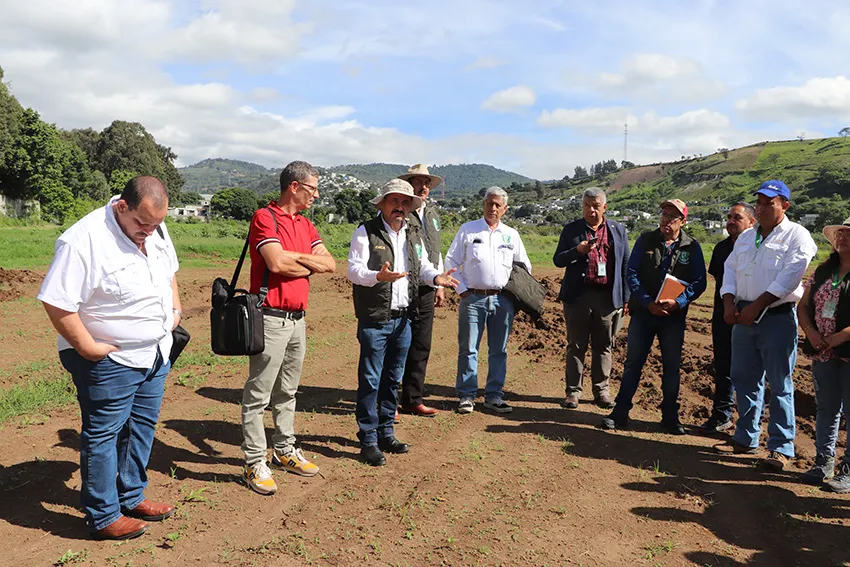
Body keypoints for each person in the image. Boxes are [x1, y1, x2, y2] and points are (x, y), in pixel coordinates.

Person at [38, 177, 180, 540]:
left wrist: (175, 309)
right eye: (142, 224)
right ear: (121, 207)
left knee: (141, 428)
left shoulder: (154, 228)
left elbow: (169, 272)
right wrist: (88, 348)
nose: (149, 232)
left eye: (156, 225)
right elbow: (57, 301)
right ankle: (103, 516)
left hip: (154, 353)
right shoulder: (83, 240)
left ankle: (131, 496)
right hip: (109, 360)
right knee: (103, 434)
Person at [240, 161, 336, 496]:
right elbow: (276, 262)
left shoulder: (306, 225)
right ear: (294, 186)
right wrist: (307, 262)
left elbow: (330, 263)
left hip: (297, 320)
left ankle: (284, 449)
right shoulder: (265, 217)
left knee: (288, 391)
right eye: (312, 189)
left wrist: (295, 260)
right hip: (270, 317)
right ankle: (254, 461)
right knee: (258, 394)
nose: (316, 195)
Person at [347, 179, 459, 466]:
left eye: (405, 202)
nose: (400, 207)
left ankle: (386, 432)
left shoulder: (413, 235)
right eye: (394, 201)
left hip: (403, 319)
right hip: (375, 319)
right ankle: (368, 439)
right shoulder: (366, 232)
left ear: (410, 207)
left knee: (392, 379)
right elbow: (354, 271)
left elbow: (423, 267)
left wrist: (436, 278)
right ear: (383, 203)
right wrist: (377, 276)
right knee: (371, 380)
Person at [715, 180, 817, 471]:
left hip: (776, 317)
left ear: (784, 205)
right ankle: (745, 437)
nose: (760, 208)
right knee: (744, 380)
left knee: (780, 383)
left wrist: (758, 305)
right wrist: (728, 301)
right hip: (742, 316)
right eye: (758, 203)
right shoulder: (747, 237)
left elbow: (791, 275)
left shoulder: (797, 235)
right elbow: (730, 269)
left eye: (768, 203)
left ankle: (781, 447)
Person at [600, 199, 706, 434]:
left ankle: (670, 417)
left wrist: (678, 302)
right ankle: (620, 413)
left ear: (683, 221)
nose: (666, 220)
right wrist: (647, 302)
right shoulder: (646, 240)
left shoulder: (691, 246)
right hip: (644, 314)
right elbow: (632, 273)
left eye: (672, 216)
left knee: (672, 367)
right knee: (633, 364)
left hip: (673, 317)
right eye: (664, 214)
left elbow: (700, 282)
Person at [444, 186, 532, 415]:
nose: (492, 208)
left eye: (497, 205)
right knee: (468, 348)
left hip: (503, 301)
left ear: (505, 209)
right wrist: (462, 290)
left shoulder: (511, 235)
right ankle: (466, 395)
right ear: (483, 204)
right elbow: (451, 261)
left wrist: (515, 295)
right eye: (489, 203)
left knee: (499, 350)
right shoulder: (468, 230)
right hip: (472, 298)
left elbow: (524, 266)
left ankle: (494, 395)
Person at [553, 187, 630, 410]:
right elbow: (558, 260)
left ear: (604, 207)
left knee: (604, 345)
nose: (591, 210)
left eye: (595, 206)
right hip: (578, 297)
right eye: (587, 206)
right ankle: (573, 392)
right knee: (576, 345)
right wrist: (577, 250)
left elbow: (625, 264)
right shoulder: (571, 230)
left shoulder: (617, 230)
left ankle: (601, 391)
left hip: (606, 298)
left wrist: (626, 297)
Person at [798, 216, 850, 492]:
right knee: (827, 408)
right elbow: (803, 306)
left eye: (849, 234)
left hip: (847, 350)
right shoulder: (821, 271)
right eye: (840, 234)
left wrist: (840, 336)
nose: (843, 238)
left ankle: (848, 470)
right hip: (822, 352)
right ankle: (823, 462)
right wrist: (811, 332)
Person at [698, 203, 756, 433]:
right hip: (722, 315)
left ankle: (748, 425)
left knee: (748, 371)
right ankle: (721, 415)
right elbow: (718, 279)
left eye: (737, 217)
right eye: (729, 217)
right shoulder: (721, 248)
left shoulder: (757, 248)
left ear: (751, 222)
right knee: (723, 366)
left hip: (750, 316)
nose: (731, 221)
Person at [397, 164, 445, 418]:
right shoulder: (401, 212)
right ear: (409, 184)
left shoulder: (432, 214)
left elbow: (436, 251)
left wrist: (439, 284)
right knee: (397, 343)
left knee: (421, 344)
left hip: (428, 285)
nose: (423, 186)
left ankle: (412, 399)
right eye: (418, 181)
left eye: (426, 182)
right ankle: (388, 400)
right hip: (403, 285)